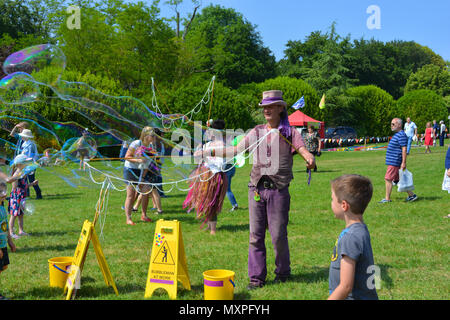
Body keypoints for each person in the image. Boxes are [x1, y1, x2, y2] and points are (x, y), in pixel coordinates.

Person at [200, 90, 315, 289]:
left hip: (279, 190)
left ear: (281, 108)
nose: (266, 110)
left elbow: (303, 149)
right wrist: (209, 150)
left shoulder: (290, 133)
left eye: (271, 106)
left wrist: (309, 158)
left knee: (278, 235)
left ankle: (283, 272)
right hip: (256, 190)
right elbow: (235, 150)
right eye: (264, 107)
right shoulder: (257, 131)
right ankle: (256, 278)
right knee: (255, 236)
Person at [328, 174, 378, 300]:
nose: (331, 203)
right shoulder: (360, 229)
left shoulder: (350, 237)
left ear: (344, 205)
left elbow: (345, 286)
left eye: (332, 199)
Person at [184, 119, 229, 235]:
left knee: (212, 202)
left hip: (215, 176)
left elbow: (220, 164)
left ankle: (213, 229)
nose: (209, 133)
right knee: (204, 201)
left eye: (211, 131)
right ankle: (209, 225)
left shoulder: (222, 145)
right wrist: (199, 150)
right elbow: (198, 157)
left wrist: (206, 153)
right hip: (205, 174)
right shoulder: (207, 144)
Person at [122, 126, 160, 225]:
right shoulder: (136, 144)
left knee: (146, 190)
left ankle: (144, 215)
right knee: (130, 194)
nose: (155, 138)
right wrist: (138, 160)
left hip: (142, 170)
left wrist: (142, 178)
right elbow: (126, 157)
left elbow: (147, 165)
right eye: (153, 136)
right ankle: (128, 218)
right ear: (147, 136)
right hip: (130, 170)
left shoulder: (151, 148)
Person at [379, 118, 417, 203]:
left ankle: (387, 199)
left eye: (393, 124)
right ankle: (412, 195)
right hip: (393, 161)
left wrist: (403, 162)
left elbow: (404, 149)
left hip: (395, 161)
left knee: (388, 179)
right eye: (391, 124)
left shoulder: (401, 135)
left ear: (399, 125)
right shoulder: (398, 134)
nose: (391, 126)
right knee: (399, 180)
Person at [6, 155, 38, 238]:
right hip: (16, 197)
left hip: (22, 197)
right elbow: (14, 187)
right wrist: (16, 178)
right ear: (20, 164)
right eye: (25, 162)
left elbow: (24, 185)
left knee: (21, 214)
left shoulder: (23, 173)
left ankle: (21, 231)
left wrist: (32, 184)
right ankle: (11, 232)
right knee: (14, 215)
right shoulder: (16, 173)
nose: (27, 164)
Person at [0, 176, 16, 300]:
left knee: (3, 267)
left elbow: (5, 226)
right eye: (0, 192)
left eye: (4, 191)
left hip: (3, 243)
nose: (4, 193)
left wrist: (10, 241)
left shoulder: (2, 207)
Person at [18, 129, 42, 199]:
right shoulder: (24, 144)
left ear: (26, 137)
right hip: (25, 164)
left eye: (23, 136)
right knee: (24, 179)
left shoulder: (31, 145)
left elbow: (31, 155)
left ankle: (39, 193)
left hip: (30, 164)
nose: (21, 137)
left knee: (31, 179)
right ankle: (25, 194)